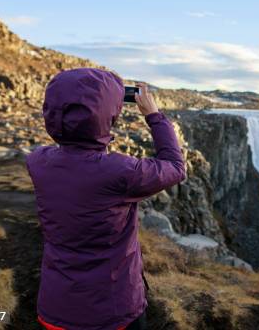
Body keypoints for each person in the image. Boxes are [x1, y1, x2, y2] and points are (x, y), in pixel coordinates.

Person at [26, 68, 185, 330]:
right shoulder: (121, 171)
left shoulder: (38, 161)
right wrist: (154, 116)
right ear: (107, 114)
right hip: (113, 311)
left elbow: (75, 160)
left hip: (55, 309)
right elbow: (175, 167)